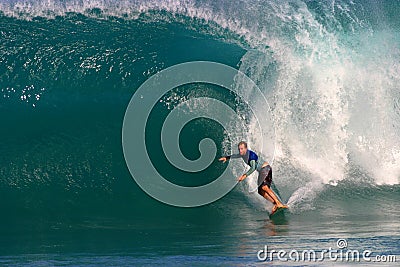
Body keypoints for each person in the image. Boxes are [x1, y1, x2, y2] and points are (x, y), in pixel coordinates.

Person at [219, 141, 288, 214]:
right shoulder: (243, 154)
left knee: (264, 187)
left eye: (242, 149)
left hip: (265, 169)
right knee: (260, 191)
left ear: (246, 148)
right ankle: (275, 203)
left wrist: (244, 176)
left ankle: (278, 203)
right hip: (262, 172)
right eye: (239, 149)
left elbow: (253, 167)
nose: (240, 151)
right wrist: (227, 158)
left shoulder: (251, 156)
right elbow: (236, 155)